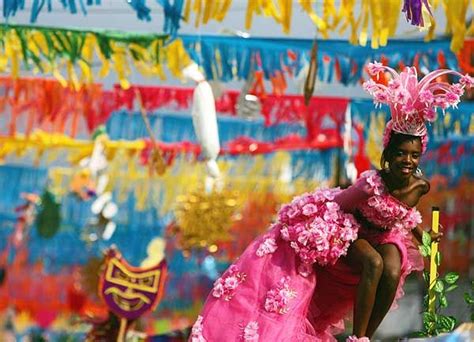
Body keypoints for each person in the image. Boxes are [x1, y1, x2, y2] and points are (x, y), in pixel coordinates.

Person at [189, 63, 473, 342]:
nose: (407, 161)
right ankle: (357, 337)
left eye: (413, 155)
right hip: (351, 231)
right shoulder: (370, 183)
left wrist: (424, 239)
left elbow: (406, 216)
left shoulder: (420, 186)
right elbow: (336, 207)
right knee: (373, 263)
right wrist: (326, 238)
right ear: (389, 154)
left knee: (393, 267)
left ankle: (368, 336)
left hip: (385, 235)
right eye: (401, 154)